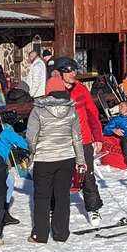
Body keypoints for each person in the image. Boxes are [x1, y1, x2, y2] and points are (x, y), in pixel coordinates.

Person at [25, 73, 84, 243]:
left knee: (42, 197)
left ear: (48, 91)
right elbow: (77, 137)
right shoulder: (71, 109)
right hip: (66, 158)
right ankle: (61, 233)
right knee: (62, 195)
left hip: (44, 158)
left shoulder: (38, 110)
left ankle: (40, 234)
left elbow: (31, 137)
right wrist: (80, 160)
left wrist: (32, 153)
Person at [54, 57, 104, 221]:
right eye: (68, 71)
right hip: (62, 141)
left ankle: (94, 208)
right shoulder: (53, 90)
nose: (72, 74)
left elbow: (92, 114)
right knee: (59, 175)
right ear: (60, 73)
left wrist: (98, 136)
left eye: (74, 70)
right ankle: (55, 207)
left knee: (87, 175)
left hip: (83, 139)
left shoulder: (81, 89)